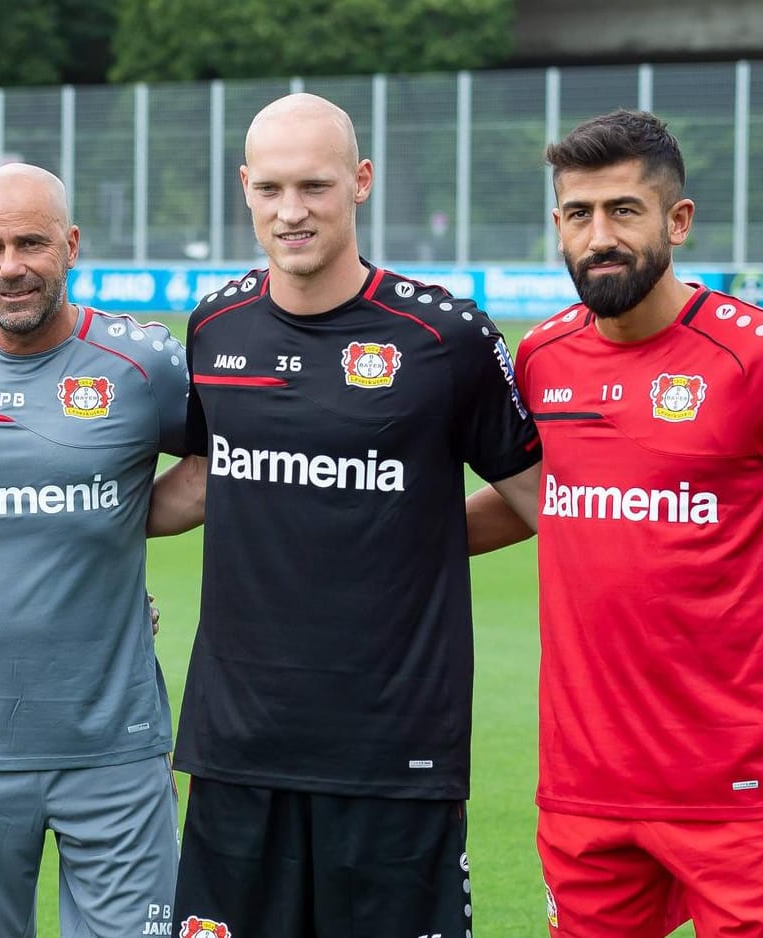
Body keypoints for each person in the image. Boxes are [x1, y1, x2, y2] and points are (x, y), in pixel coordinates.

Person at [467, 110, 763, 938]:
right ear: (557, 225)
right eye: (578, 214)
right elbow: (549, 499)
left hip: (731, 784)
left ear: (677, 221)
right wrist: (374, 532)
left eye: (623, 210)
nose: (599, 236)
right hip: (583, 784)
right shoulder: (543, 356)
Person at [145, 93, 543, 937]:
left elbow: (542, 499)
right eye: (272, 189)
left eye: (316, 187)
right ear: (245, 188)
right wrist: (60, 515)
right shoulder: (216, 327)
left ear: (360, 183)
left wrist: (423, 536)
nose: (292, 212)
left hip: (394, 756)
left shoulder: (445, 337)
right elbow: (207, 479)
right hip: (238, 749)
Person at [0, 163, 189, 938]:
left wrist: (117, 528)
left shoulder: (143, 364)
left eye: (32, 242)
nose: (11, 266)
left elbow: (220, 465)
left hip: (116, 751)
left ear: (72, 244)